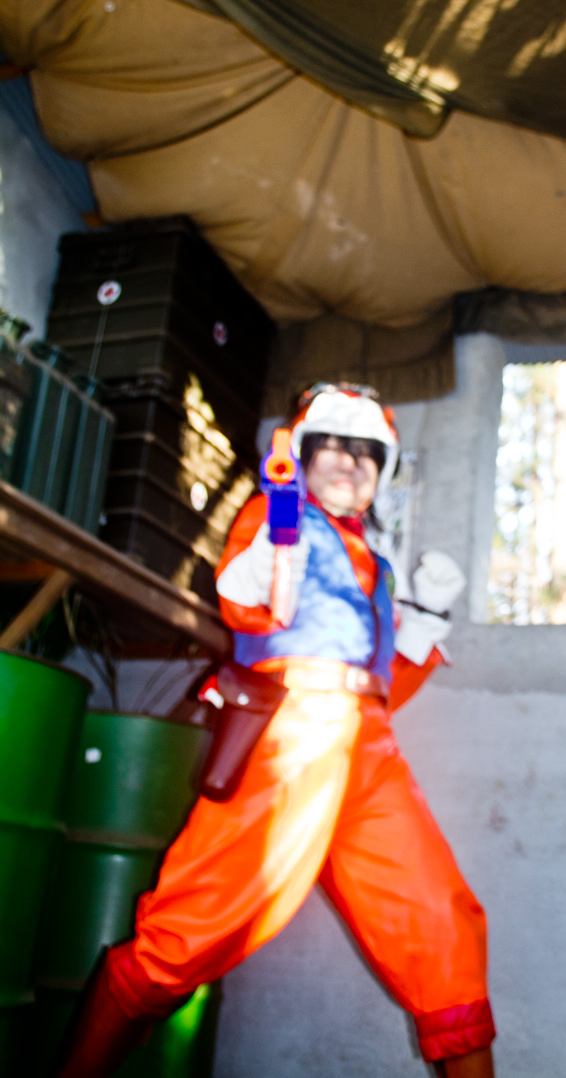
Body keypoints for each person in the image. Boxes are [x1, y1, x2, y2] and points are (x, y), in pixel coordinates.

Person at [55, 383, 496, 1078]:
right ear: (303, 454)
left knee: (441, 930)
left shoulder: (378, 568)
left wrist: (422, 621)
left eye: (366, 452)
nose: (349, 462)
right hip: (293, 738)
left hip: (370, 753)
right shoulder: (276, 516)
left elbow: (382, 686)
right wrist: (256, 573)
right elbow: (247, 603)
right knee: (188, 932)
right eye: (333, 447)